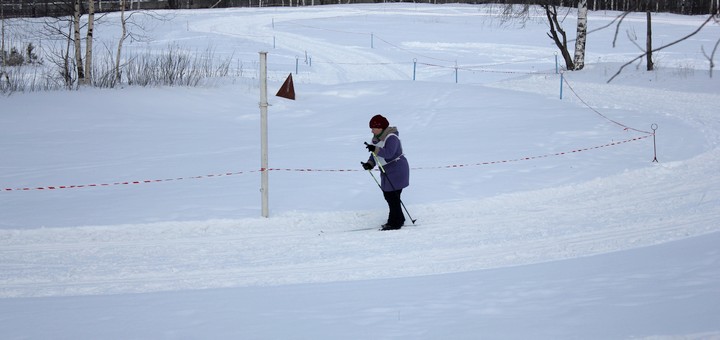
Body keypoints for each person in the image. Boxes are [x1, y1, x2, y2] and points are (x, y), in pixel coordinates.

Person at [361, 114, 410, 230]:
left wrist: (375, 149)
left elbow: (389, 153)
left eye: (373, 128)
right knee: (390, 196)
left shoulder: (392, 137)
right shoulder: (376, 138)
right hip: (387, 170)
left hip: (397, 169)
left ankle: (395, 222)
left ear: (380, 127)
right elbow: (374, 154)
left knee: (392, 196)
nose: (371, 130)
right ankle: (398, 219)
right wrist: (370, 164)